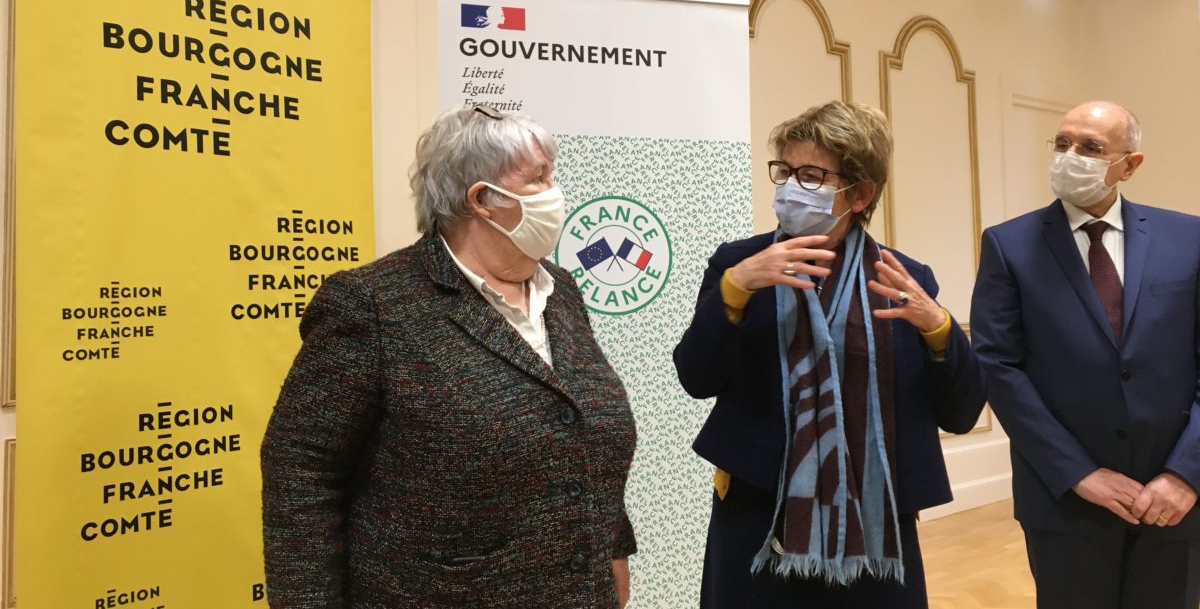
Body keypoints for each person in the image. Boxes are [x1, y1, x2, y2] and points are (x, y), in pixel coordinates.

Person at [260, 105, 637, 608]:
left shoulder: (560, 291)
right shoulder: (373, 304)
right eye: (538, 177)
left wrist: (613, 550)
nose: (555, 191)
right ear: (483, 200)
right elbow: (301, 473)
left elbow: (578, 428)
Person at [673, 100, 986, 608]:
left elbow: (961, 412)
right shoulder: (737, 263)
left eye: (812, 175)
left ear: (860, 193)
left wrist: (939, 328)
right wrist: (736, 287)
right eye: (786, 171)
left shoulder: (905, 278)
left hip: (875, 520)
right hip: (759, 514)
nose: (792, 186)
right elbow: (696, 377)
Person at [971, 101, 1200, 608]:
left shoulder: (1189, 239)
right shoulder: (1009, 245)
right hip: (1066, 500)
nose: (1070, 156)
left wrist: (1186, 473)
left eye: (1091, 147)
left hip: (1175, 501)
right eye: (1062, 144)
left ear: (1130, 164)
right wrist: (1077, 473)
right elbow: (998, 368)